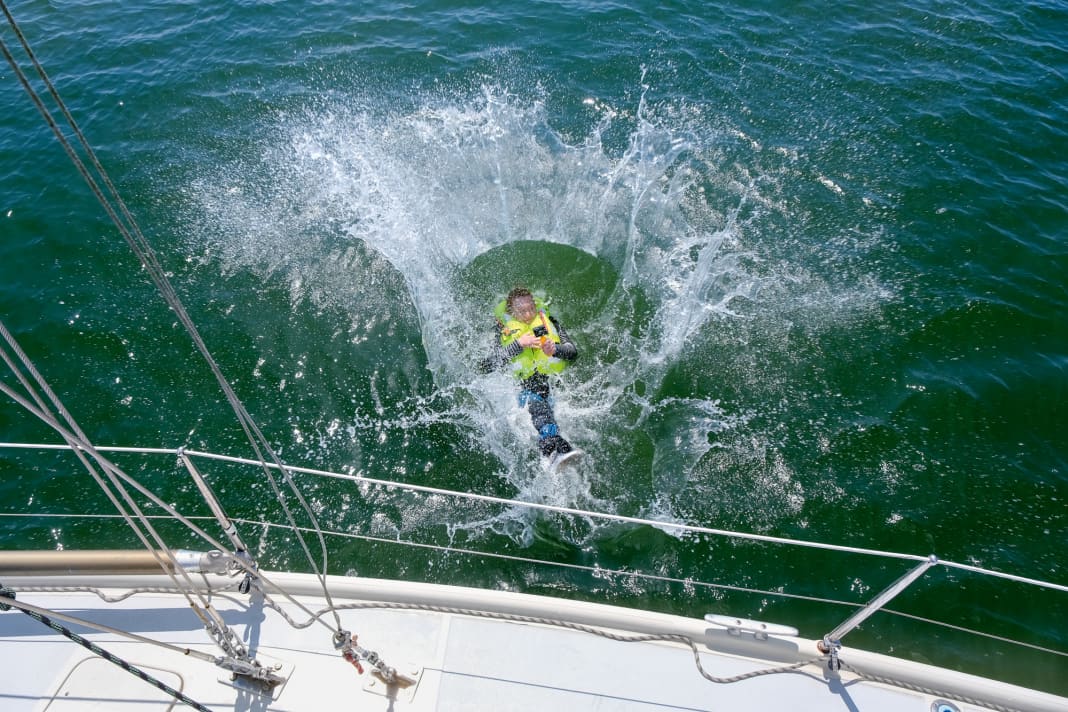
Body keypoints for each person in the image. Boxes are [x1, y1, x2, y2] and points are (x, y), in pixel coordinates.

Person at [478, 287, 578, 461]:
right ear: (512, 312)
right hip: (526, 386)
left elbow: (573, 352)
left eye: (531, 308)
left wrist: (555, 350)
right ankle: (552, 449)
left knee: (551, 411)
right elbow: (487, 365)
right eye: (522, 311)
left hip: (554, 383)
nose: (528, 314)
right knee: (538, 408)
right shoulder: (502, 332)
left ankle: (556, 452)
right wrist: (519, 344)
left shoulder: (550, 322)